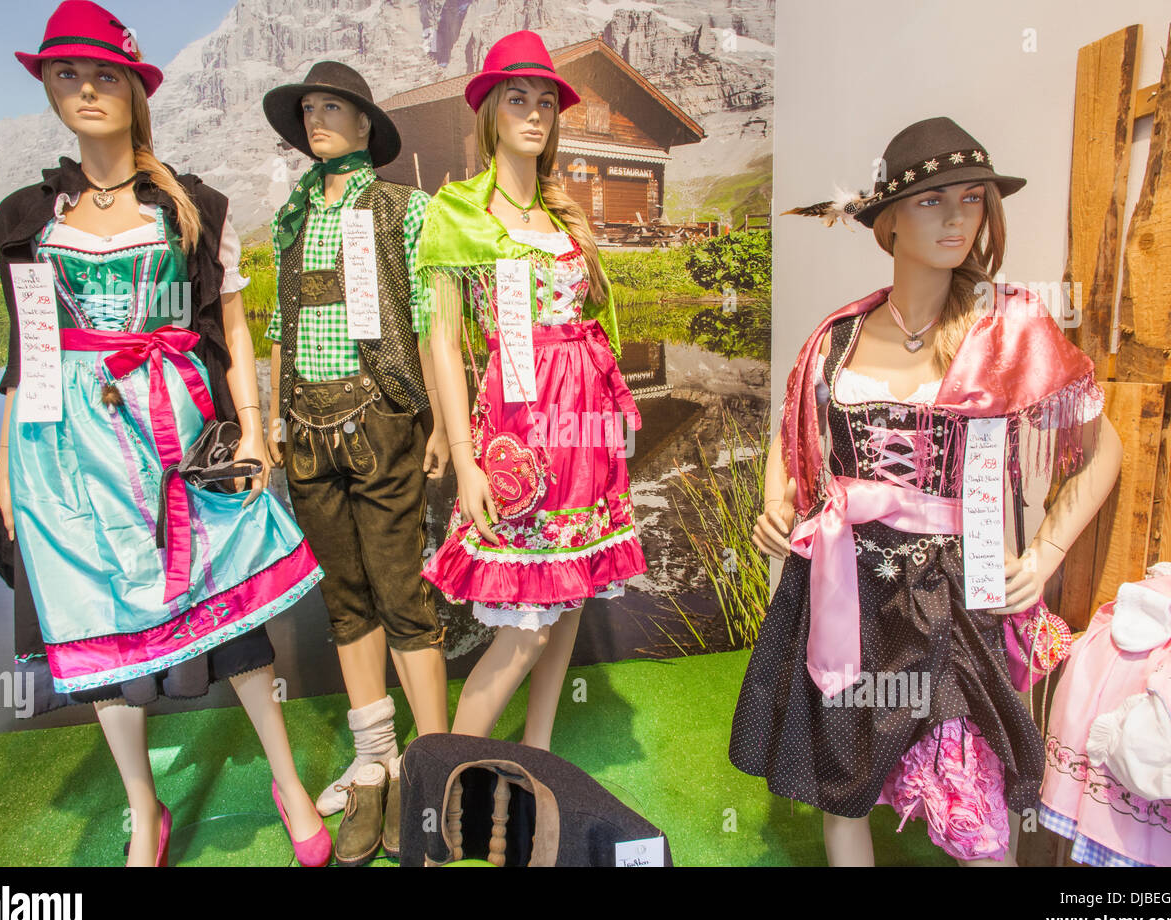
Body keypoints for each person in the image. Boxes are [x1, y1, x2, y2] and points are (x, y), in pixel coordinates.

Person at [729, 117, 1123, 866]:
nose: (957, 218)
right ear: (888, 219)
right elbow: (796, 434)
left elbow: (1104, 450)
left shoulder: (1010, 329)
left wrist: (1044, 553)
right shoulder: (836, 337)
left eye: (973, 200)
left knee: (970, 808)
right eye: (933, 200)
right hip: (845, 588)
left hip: (952, 598)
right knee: (841, 782)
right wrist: (778, 503)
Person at [0, 0, 329, 866]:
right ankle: (146, 813)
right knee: (94, 619)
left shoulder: (193, 205)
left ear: (138, 88)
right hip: (65, 442)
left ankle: (286, 781)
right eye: (67, 72)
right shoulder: (26, 217)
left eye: (106, 72)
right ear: (48, 86)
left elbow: (233, 323)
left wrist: (252, 426)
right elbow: (27, 347)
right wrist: (3, 466)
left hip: (177, 426)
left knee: (236, 613)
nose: (87, 88)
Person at [417, 31, 646, 751]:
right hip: (519, 428)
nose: (536, 113)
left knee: (570, 595)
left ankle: (538, 753)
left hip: (586, 428)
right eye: (518, 97)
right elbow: (443, 345)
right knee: (523, 628)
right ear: (487, 111)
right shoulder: (457, 213)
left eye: (546, 100)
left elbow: (591, 325)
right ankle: (444, 783)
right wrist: (464, 458)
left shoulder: (564, 215)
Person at [261, 61, 450, 865]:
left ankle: (432, 765)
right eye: (308, 109)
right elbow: (280, 321)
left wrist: (444, 423)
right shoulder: (294, 216)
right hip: (305, 424)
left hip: (383, 419)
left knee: (401, 588)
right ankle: (376, 757)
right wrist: (270, 412)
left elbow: (438, 323)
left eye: (332, 107)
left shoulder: (406, 209)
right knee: (344, 597)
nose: (316, 119)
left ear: (367, 123)